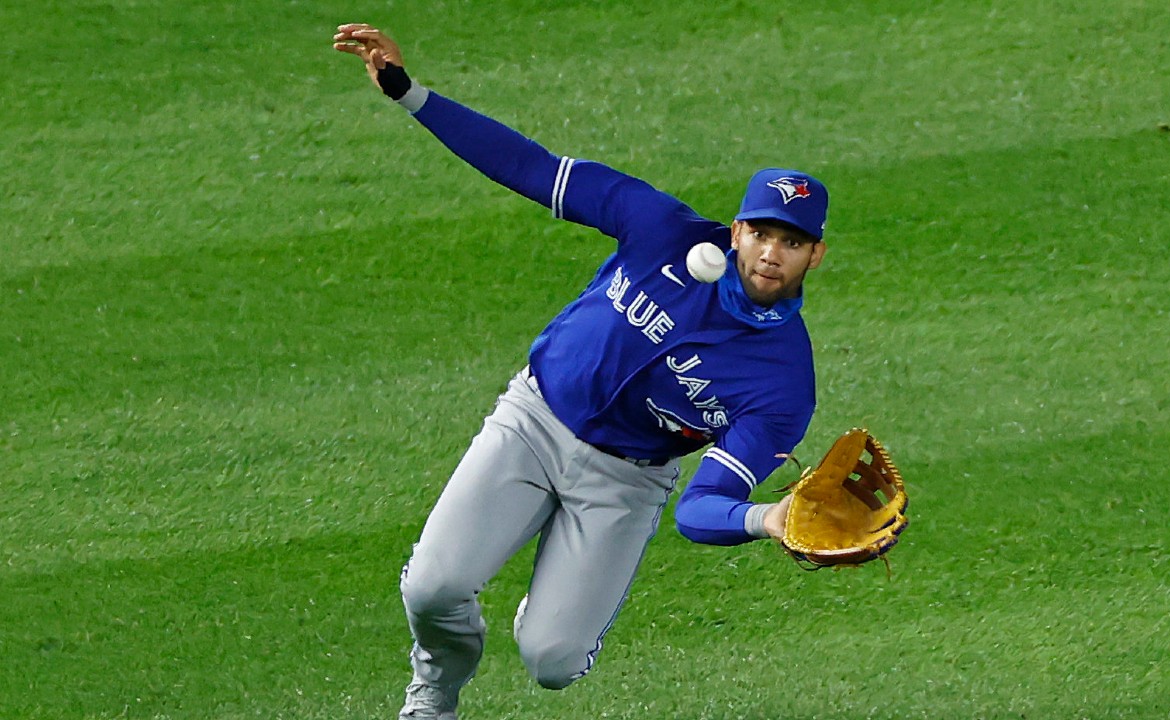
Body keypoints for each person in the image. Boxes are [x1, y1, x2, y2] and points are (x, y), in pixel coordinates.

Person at [334, 23, 830, 720]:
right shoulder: (661, 227)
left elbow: (698, 509)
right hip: (534, 421)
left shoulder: (781, 383)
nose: (771, 252)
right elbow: (532, 169)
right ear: (737, 230)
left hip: (625, 482)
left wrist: (767, 518)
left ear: (816, 256)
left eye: (793, 241)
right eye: (761, 231)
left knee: (553, 662)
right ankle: (434, 694)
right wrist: (412, 95)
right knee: (432, 590)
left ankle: (558, 598)